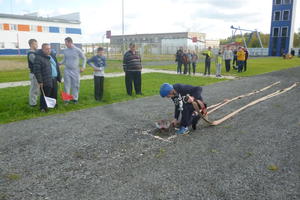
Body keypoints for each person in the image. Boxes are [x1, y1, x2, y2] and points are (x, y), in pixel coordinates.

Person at [33, 43, 61, 112]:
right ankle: (43, 108)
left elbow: (57, 67)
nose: (48, 50)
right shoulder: (38, 57)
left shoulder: (52, 56)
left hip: (54, 79)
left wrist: (59, 77)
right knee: (46, 94)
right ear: (42, 49)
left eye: (49, 49)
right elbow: (37, 71)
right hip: (46, 79)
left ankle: (53, 105)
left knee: (54, 93)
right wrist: (40, 81)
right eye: (46, 49)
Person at [60, 37, 86, 104]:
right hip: (67, 70)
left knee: (75, 85)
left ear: (70, 42)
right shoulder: (65, 50)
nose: (65, 44)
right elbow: (64, 59)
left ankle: (75, 99)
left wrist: (83, 67)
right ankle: (66, 100)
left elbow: (84, 58)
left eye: (66, 43)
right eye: (65, 43)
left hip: (75, 71)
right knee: (66, 85)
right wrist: (59, 63)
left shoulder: (78, 50)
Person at [27, 39, 40, 107]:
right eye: (35, 44)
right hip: (34, 74)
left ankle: (34, 101)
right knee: (34, 90)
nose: (37, 45)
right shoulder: (31, 54)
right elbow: (36, 63)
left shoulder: (35, 52)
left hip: (36, 73)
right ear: (32, 44)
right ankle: (32, 104)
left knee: (36, 89)